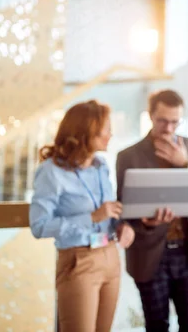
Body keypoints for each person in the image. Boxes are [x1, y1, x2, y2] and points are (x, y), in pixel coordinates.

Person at [29, 100, 135, 332]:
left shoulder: (101, 166)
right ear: (87, 131)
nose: (110, 134)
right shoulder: (51, 172)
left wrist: (122, 225)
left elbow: (109, 211)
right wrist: (91, 217)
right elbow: (39, 226)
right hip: (79, 260)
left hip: (110, 255)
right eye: (106, 128)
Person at [116, 89, 188, 332]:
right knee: (157, 326)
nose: (169, 128)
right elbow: (123, 210)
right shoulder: (128, 156)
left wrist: (184, 163)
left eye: (175, 122)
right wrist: (146, 223)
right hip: (150, 255)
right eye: (163, 121)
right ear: (150, 116)